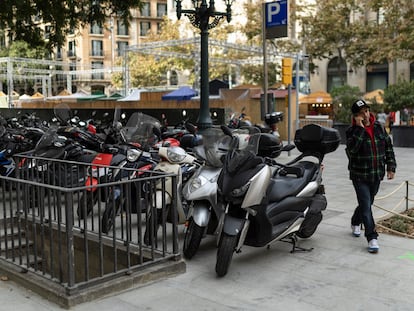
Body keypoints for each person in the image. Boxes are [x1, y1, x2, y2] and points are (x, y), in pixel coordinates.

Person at [345, 99, 396, 253]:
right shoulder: (351, 131)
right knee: (366, 205)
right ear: (356, 116)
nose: (365, 115)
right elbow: (352, 151)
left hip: (376, 174)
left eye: (366, 111)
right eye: (361, 113)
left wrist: (391, 167)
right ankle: (372, 237)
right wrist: (360, 129)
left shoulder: (379, 127)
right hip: (359, 175)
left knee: (367, 203)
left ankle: (355, 221)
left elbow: (388, 148)